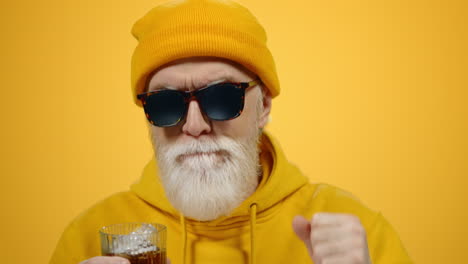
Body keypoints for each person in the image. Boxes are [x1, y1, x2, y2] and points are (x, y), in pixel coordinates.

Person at [50, 0, 412, 263]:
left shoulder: (353, 231)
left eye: (221, 97)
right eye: (166, 104)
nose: (194, 126)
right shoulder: (91, 236)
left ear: (264, 106)